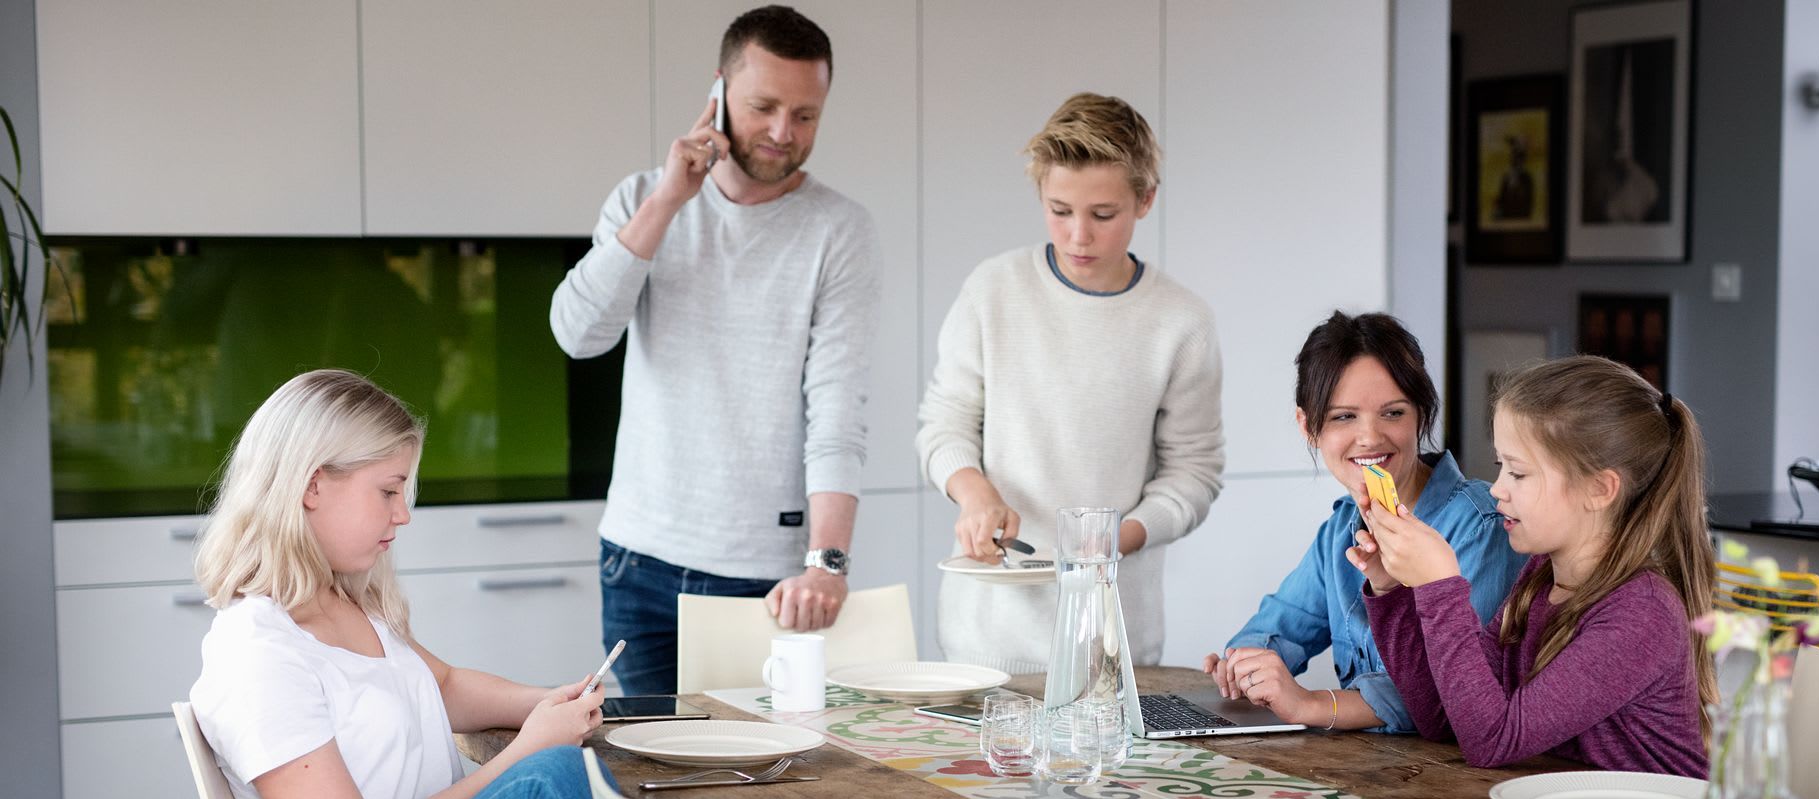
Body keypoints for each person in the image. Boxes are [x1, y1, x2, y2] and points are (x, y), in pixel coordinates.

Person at [186, 370, 807, 799]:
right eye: (387, 491)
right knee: (548, 781)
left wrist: (552, 700)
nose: (404, 515)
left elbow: (442, 683)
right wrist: (525, 752)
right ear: (310, 486)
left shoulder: (342, 603)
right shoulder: (258, 651)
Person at [551, 5, 881, 693]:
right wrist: (670, 200)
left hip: (769, 576)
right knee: (654, 775)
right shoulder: (643, 200)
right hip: (639, 563)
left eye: (806, 115)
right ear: (719, 90)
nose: (782, 133)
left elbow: (837, 411)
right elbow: (580, 335)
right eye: (764, 106)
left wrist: (828, 562)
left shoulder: (839, 230)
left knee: (764, 783)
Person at [915, 92, 1224, 672]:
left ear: (1145, 200)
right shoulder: (992, 290)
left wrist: (1116, 542)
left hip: (1112, 638)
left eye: (1103, 215)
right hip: (982, 638)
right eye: (1059, 210)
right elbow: (945, 422)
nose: (1079, 235)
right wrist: (975, 493)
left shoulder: (1182, 323)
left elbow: (1195, 472)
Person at [1355, 356, 1713, 777]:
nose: (1498, 489)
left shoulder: (1642, 612)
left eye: (1519, 474)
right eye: (1499, 468)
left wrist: (1439, 587)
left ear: (1600, 489)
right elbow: (1441, 719)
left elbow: (1493, 741)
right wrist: (1392, 590)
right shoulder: (1540, 579)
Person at [1204, 312, 1527, 732]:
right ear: (1308, 426)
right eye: (1343, 417)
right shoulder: (1341, 529)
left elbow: (1455, 700)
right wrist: (1247, 665)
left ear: (1421, 415)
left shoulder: (1481, 524)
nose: (1371, 437)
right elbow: (1275, 629)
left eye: (1393, 413)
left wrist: (1311, 704)